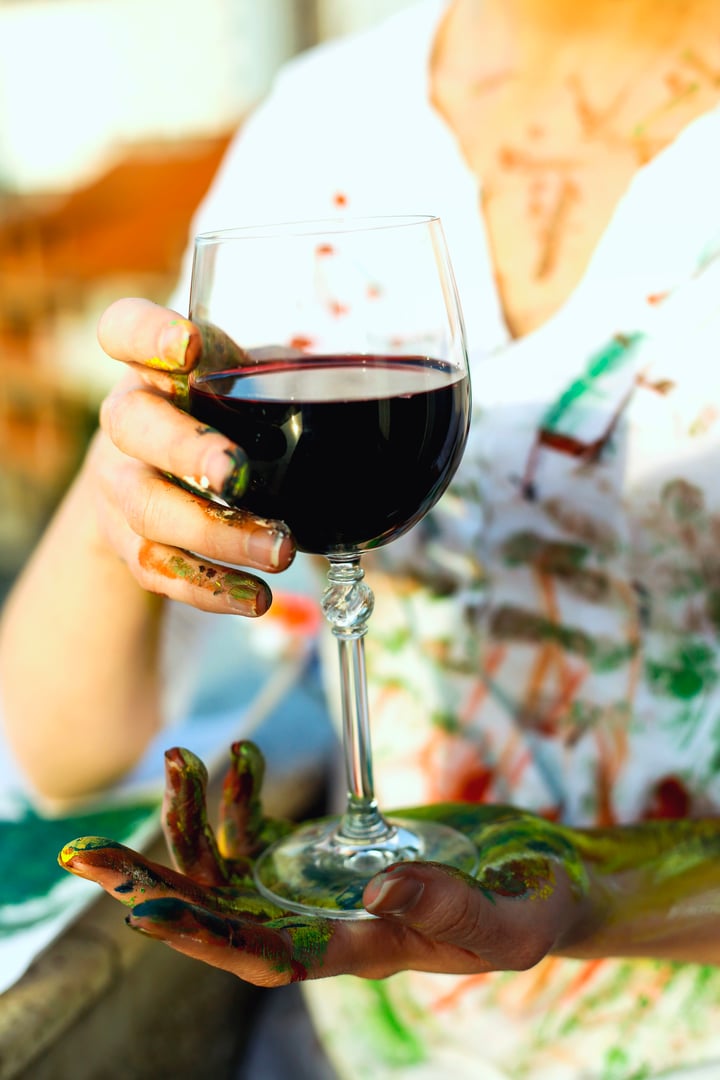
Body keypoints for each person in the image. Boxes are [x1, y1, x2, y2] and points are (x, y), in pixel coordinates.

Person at [3, 0, 720, 1075]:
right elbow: (66, 753)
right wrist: (120, 508)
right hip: (350, 1043)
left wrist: (593, 890)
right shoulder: (324, 124)